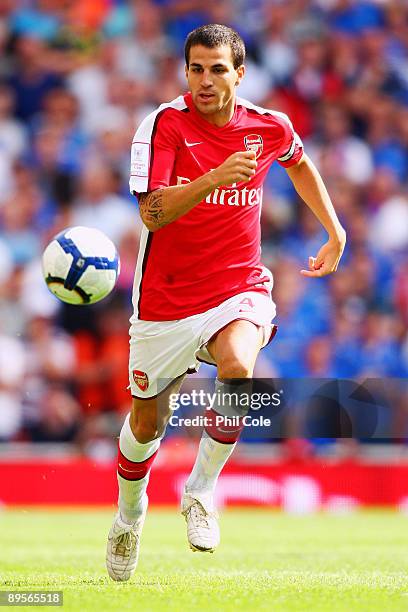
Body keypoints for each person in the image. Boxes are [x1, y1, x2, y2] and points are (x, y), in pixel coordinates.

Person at [106, 24, 346, 581]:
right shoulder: (164, 124)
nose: (205, 80)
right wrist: (213, 176)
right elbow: (152, 214)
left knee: (240, 367)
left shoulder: (268, 126)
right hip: (164, 300)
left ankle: (201, 489)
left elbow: (300, 162)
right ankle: (128, 516)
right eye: (196, 68)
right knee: (147, 423)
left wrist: (334, 230)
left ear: (241, 72)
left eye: (217, 68)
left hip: (235, 286)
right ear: (185, 72)